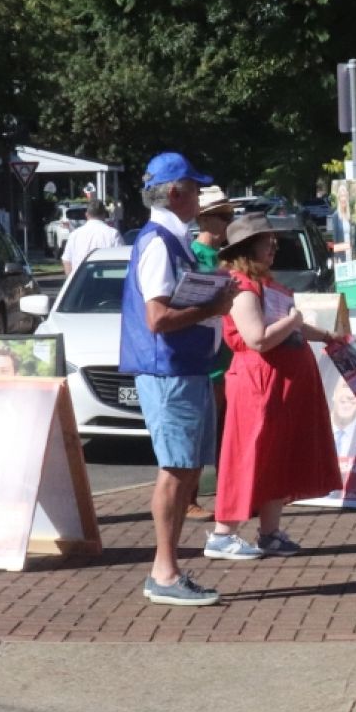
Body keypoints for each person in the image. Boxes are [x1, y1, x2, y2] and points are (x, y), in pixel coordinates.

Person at [118, 151, 235, 607]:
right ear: (176, 193)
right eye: (195, 188)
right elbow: (158, 317)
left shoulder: (172, 238)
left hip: (184, 368)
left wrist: (212, 298)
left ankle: (168, 570)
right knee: (175, 470)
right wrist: (213, 307)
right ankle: (164, 572)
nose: (201, 197)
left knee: (184, 469)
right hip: (170, 369)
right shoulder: (158, 242)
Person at [205, 213, 341, 560]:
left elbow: (291, 329)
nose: (274, 246)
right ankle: (223, 533)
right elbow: (258, 339)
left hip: (281, 384)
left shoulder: (270, 285)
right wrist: (293, 320)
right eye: (268, 241)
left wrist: (326, 336)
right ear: (249, 248)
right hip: (258, 384)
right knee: (249, 454)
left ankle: (269, 532)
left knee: (276, 457)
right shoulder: (242, 287)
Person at [185, 186, 236, 524]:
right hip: (204, 349)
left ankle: (229, 493)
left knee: (226, 426)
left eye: (229, 216)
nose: (226, 222)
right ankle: (188, 497)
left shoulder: (227, 257)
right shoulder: (193, 254)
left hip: (228, 349)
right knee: (201, 426)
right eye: (220, 216)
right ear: (203, 217)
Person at [61, 200, 122, 275]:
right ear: (104, 215)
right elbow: (121, 260)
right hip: (106, 282)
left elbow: (66, 261)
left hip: (81, 283)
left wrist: (72, 282)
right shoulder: (113, 234)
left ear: (86, 215)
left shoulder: (74, 235)